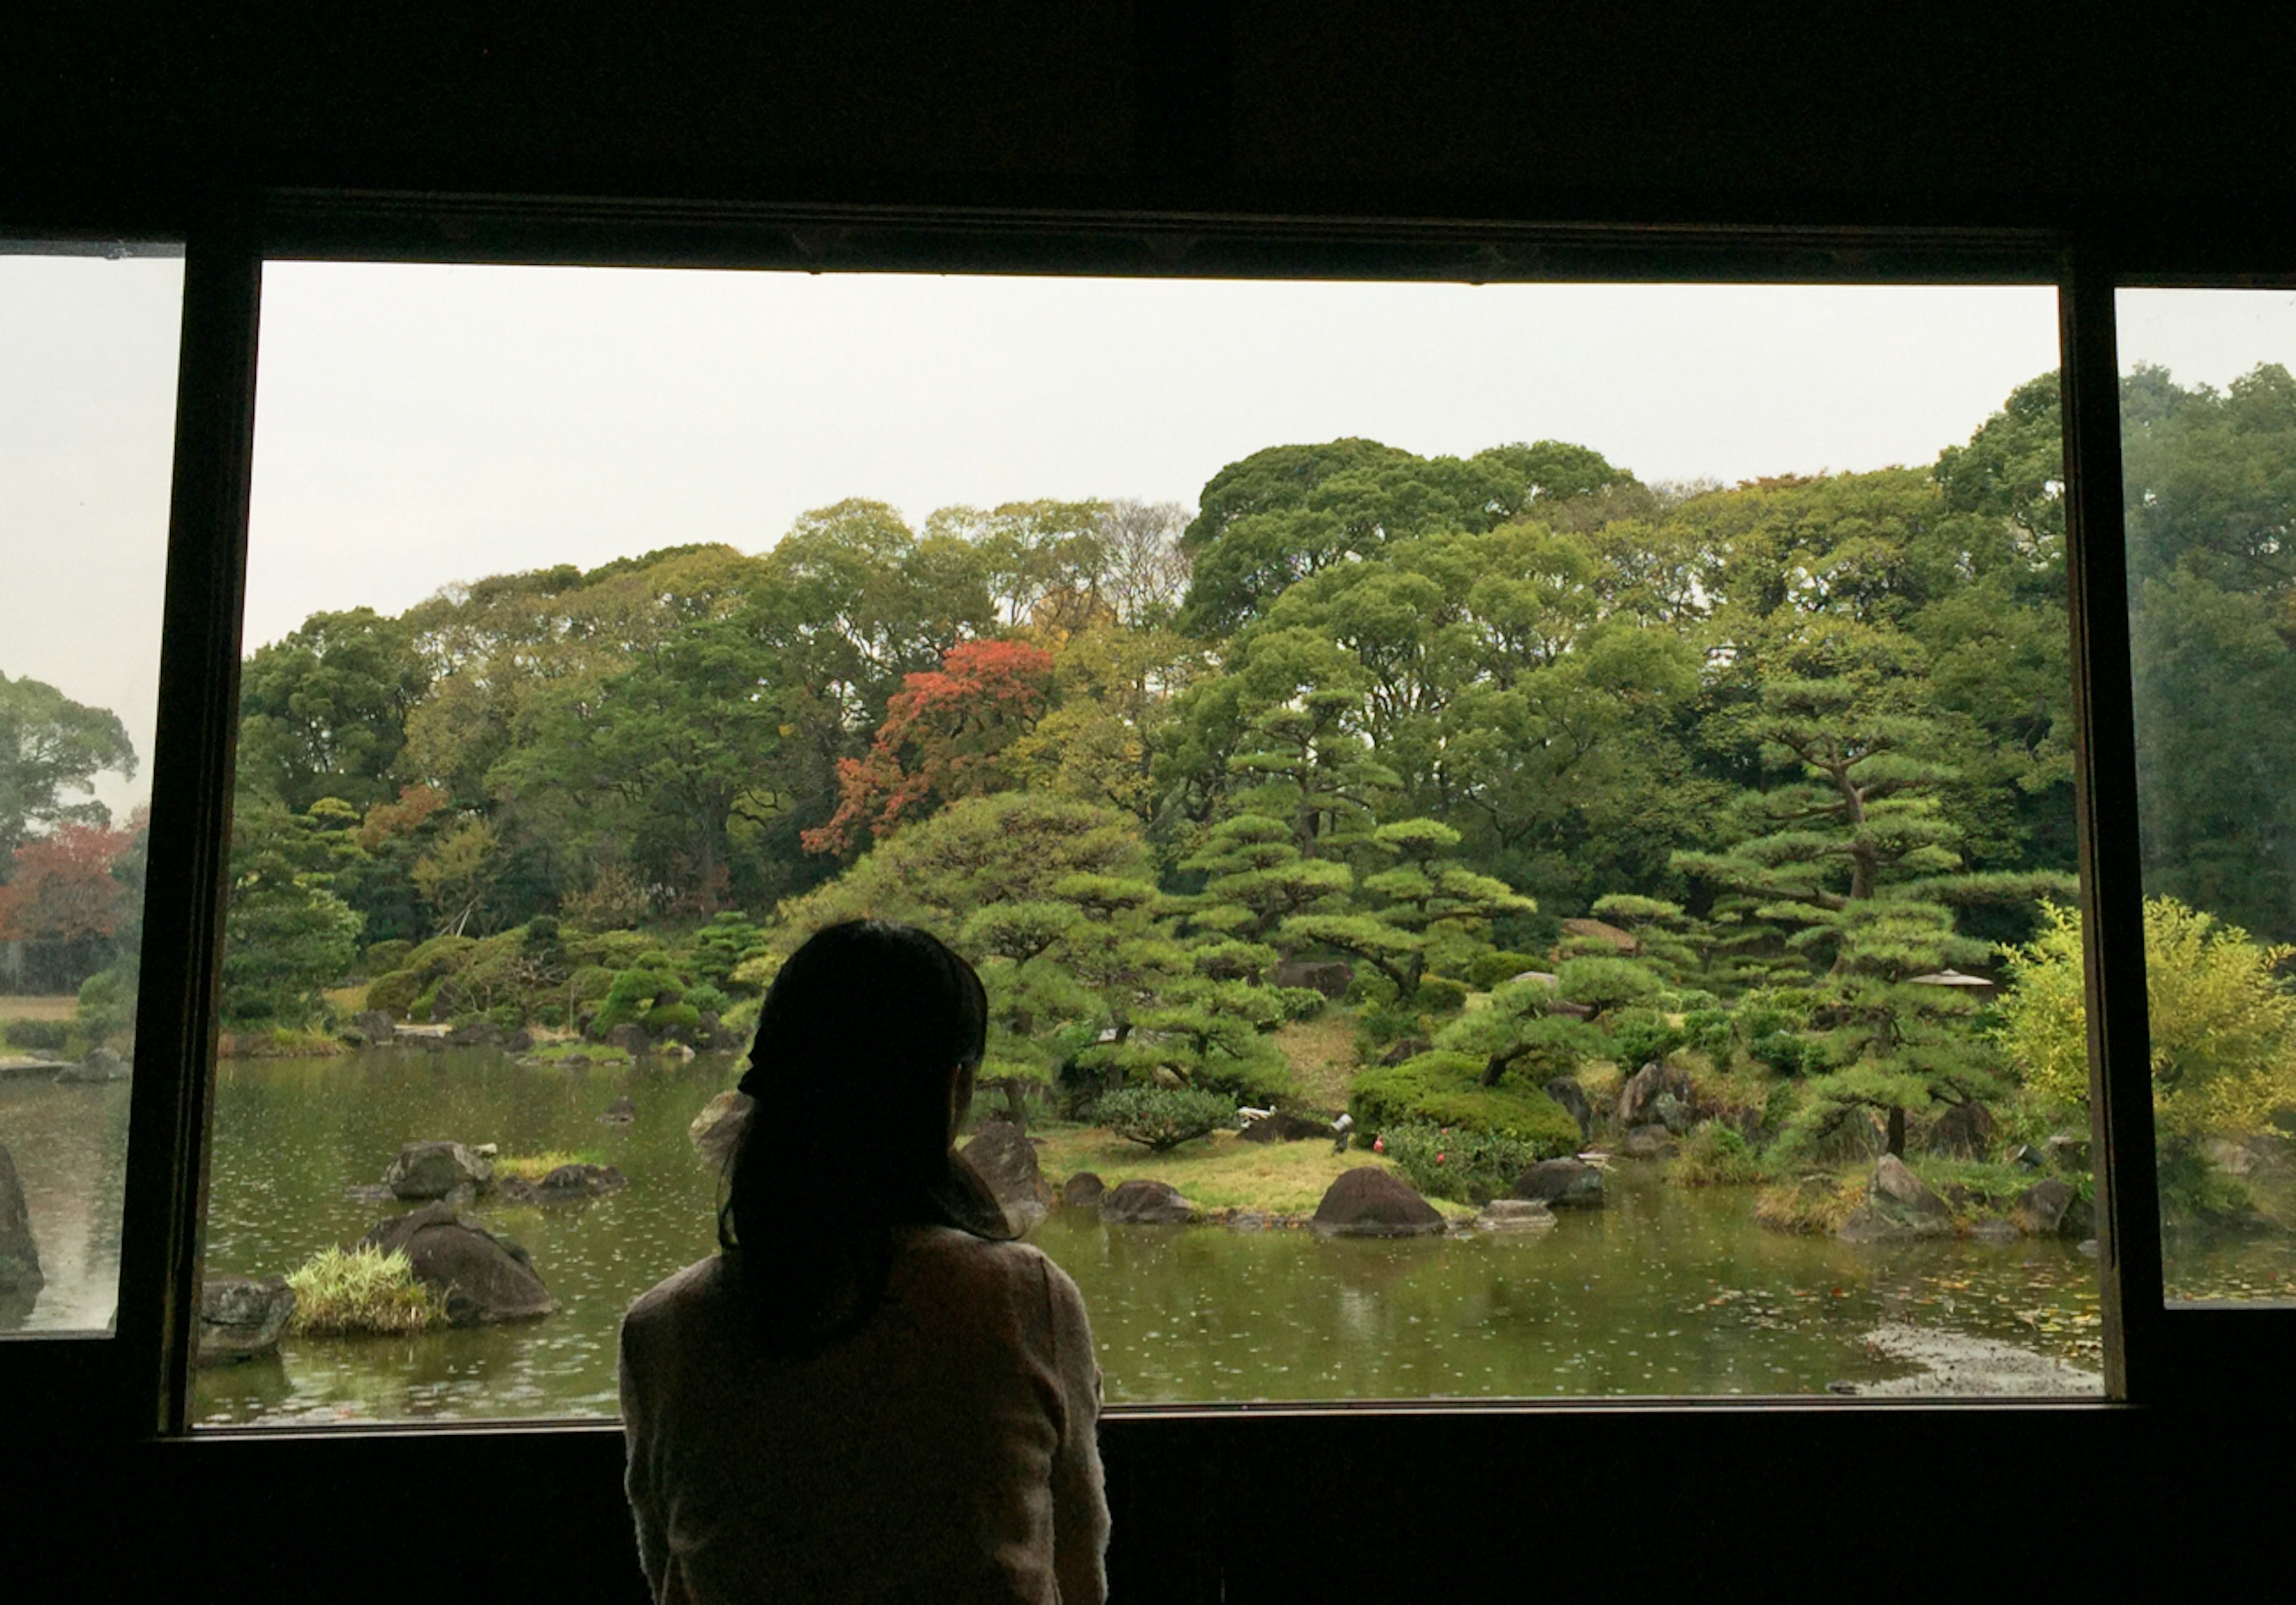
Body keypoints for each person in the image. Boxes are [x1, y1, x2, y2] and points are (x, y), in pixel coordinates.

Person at [618, 920, 1109, 1604]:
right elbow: (1079, 1570)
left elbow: (670, 1572)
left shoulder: (664, 1328)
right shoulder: (1022, 1298)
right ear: (951, 1087)